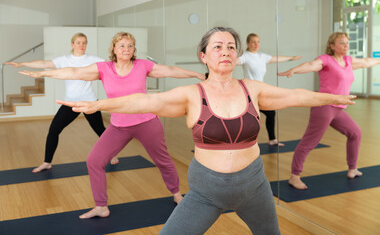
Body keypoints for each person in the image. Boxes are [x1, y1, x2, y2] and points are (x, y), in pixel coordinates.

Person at [56, 27, 356, 234]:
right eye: (217, 46)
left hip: (254, 187)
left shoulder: (252, 89)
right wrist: (99, 104)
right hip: (205, 192)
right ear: (204, 56)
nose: (225, 51)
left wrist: (333, 98)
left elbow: (296, 97)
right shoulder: (190, 94)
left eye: (230, 47)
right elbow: (146, 100)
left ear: (236, 55)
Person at [19, 31, 204, 219]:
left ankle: (177, 194)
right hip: (118, 126)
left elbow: (170, 71)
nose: (126, 49)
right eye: (122, 45)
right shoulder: (104, 68)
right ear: (114, 49)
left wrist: (197, 74)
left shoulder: (142, 66)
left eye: (130, 45)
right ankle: (101, 206)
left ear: (134, 50)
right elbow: (74, 72)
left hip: (146, 122)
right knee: (94, 161)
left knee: (162, 160)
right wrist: (43, 74)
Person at [278, 32, 380, 190]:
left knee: (355, 133)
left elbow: (367, 61)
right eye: (341, 43)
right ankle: (294, 176)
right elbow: (311, 65)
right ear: (332, 46)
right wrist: (295, 70)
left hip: (339, 108)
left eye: (347, 43)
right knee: (310, 142)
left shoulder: (348, 61)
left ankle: (352, 168)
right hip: (324, 107)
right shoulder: (326, 60)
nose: (346, 46)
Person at [5, 32, 120, 173]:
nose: (81, 45)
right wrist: (22, 63)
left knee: (100, 130)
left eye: (84, 43)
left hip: (89, 102)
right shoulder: (64, 60)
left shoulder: (94, 59)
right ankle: (47, 162)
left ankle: (112, 154)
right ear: (72, 44)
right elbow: (44, 63)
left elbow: (113, 66)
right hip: (70, 103)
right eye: (78, 42)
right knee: (54, 130)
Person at [237, 33, 301, 146]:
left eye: (258, 41)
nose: (256, 44)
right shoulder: (245, 56)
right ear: (247, 43)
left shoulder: (262, 56)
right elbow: (235, 61)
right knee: (250, 118)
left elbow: (276, 58)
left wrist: (291, 58)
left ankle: (272, 140)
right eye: (253, 42)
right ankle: (242, 142)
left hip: (261, 93)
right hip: (249, 94)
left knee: (271, 113)